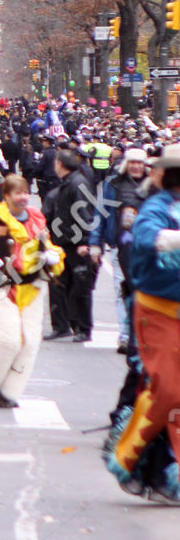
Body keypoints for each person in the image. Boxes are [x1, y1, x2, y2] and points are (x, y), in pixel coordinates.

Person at [104, 143, 180, 502]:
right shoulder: (155, 206)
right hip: (157, 312)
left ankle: (165, 471)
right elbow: (147, 239)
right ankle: (129, 454)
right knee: (167, 390)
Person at [0, 174, 64, 408]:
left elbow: (48, 245)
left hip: (32, 286)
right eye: (17, 193)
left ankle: (10, 393)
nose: (23, 197)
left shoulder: (37, 219)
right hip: (1, 286)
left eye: (25, 192)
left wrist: (52, 256)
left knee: (30, 341)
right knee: (6, 339)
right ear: (7, 196)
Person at [89, 147, 148, 355]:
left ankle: (140, 334)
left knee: (145, 293)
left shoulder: (153, 186)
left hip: (147, 248)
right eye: (132, 162)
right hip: (119, 247)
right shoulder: (112, 185)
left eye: (140, 163)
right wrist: (95, 243)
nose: (136, 166)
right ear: (126, 164)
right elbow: (100, 213)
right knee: (122, 291)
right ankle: (125, 336)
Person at [44, 148, 96, 343]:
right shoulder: (70, 183)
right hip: (63, 243)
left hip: (75, 244)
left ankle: (82, 327)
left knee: (80, 286)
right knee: (58, 284)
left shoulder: (77, 183)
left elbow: (85, 215)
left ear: (59, 164)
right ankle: (62, 325)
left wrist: (85, 241)